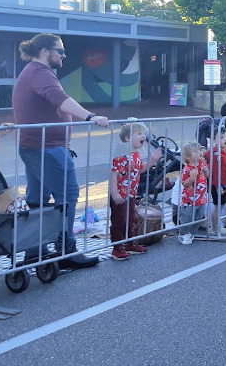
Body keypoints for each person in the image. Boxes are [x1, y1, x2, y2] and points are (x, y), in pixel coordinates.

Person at [12, 33, 108, 269]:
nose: (64, 55)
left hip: (37, 147)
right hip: (47, 149)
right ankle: (66, 251)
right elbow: (59, 99)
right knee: (68, 195)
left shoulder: (33, 72)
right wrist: (90, 116)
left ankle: (35, 252)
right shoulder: (40, 73)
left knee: (38, 201)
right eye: (61, 51)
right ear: (45, 51)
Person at [109, 121, 162, 260]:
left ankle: (130, 242)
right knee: (119, 220)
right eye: (139, 133)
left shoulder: (135, 154)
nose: (143, 136)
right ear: (127, 138)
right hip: (120, 194)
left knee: (131, 218)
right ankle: (117, 247)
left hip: (131, 193)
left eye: (143, 133)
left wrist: (152, 161)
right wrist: (114, 193)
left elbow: (140, 169)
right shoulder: (121, 154)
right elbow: (114, 173)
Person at [177, 141, 209, 245]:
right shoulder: (187, 169)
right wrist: (191, 178)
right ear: (187, 157)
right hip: (189, 200)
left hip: (201, 198)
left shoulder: (202, 164)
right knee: (187, 218)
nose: (199, 152)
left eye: (199, 150)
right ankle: (183, 234)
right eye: (195, 151)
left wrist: (206, 171)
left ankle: (192, 233)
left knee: (199, 217)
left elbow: (207, 176)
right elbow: (185, 184)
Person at [205, 127, 226, 235]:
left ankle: (216, 226)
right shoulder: (216, 154)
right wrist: (218, 186)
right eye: (221, 137)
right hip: (219, 184)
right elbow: (215, 172)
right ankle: (215, 229)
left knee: (221, 206)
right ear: (214, 140)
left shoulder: (225, 151)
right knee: (218, 207)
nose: (225, 139)